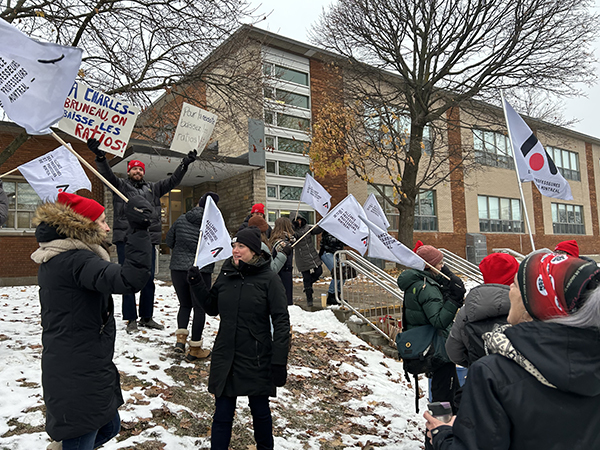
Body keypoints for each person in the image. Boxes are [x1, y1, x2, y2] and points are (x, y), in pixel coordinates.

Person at [425, 251, 600, 449]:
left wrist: (443, 435)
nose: (509, 289)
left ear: (534, 303)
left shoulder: (493, 374)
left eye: (516, 285)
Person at [31, 192, 153, 450]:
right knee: (83, 435)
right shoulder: (76, 260)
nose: (107, 228)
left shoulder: (66, 256)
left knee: (110, 427)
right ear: (84, 226)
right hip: (76, 369)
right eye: (102, 221)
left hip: (85, 360)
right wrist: (139, 231)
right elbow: (129, 280)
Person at [187, 226, 290, 450]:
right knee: (222, 413)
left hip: (256, 356)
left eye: (241, 246)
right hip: (226, 355)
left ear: (254, 251)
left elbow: (281, 321)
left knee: (260, 412)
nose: (235, 250)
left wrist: (279, 361)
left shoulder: (269, 279)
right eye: (234, 246)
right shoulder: (227, 275)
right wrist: (196, 283)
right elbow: (211, 307)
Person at [88, 137, 197, 333]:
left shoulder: (154, 189)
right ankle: (131, 318)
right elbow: (107, 174)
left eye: (140, 169)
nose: (137, 172)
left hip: (148, 240)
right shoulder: (120, 186)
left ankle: (147, 317)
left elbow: (173, 180)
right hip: (126, 239)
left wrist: (184, 165)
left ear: (143, 173)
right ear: (129, 171)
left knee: (148, 279)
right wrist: (100, 157)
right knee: (126, 277)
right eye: (134, 169)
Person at [396, 245, 463, 412]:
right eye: (439, 263)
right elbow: (439, 320)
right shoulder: (426, 288)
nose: (442, 266)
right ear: (429, 266)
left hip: (431, 347)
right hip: (438, 349)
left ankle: (448, 425)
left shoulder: (418, 283)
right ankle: (440, 427)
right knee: (444, 398)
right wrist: (453, 301)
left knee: (451, 393)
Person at [166, 192, 219, 361]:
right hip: (201, 271)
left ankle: (180, 342)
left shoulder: (181, 219)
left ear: (198, 203)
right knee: (199, 308)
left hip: (178, 269)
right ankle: (195, 348)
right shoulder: (214, 225)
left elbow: (169, 241)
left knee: (184, 305)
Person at [445, 252, 518, 368]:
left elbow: (453, 351)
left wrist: (474, 364)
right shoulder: (527, 307)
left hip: (481, 374)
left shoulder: (467, 311)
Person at [292, 214, 323, 307]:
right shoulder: (292, 231)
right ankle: (309, 298)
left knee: (319, 271)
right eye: (297, 220)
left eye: (300, 220)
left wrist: (323, 225)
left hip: (312, 255)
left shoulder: (307, 228)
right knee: (306, 277)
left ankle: (308, 285)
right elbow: (292, 237)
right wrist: (293, 228)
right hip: (302, 257)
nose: (299, 222)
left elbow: (316, 231)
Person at [269, 217, 296, 306]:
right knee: (285, 300)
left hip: (277, 273)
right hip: (284, 272)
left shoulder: (273, 240)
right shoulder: (283, 242)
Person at [318, 229, 346, 305]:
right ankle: (331, 295)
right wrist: (341, 238)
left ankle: (337, 295)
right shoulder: (329, 229)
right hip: (327, 252)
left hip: (336, 253)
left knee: (344, 273)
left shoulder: (341, 231)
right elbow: (331, 241)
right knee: (337, 272)